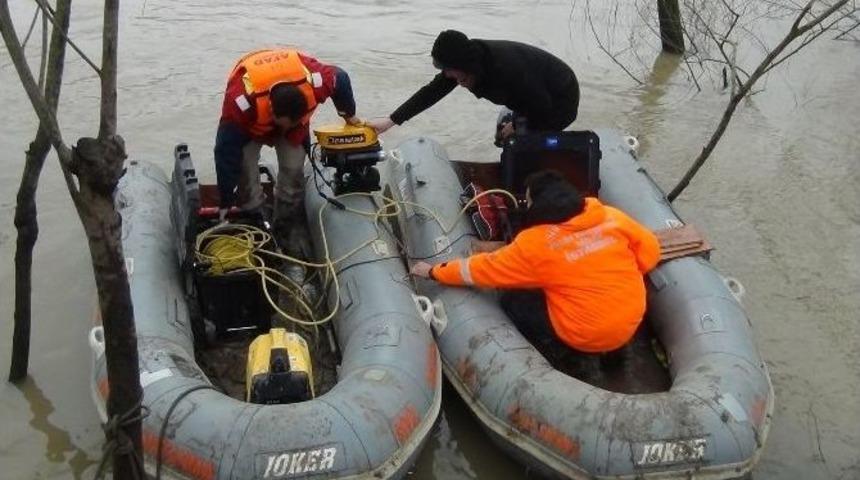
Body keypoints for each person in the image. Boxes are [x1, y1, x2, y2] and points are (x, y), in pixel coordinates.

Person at [410, 170, 660, 355]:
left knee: (513, 298)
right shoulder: (612, 217)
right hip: (629, 322)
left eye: (528, 201)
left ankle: (558, 353)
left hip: (582, 335)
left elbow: (481, 270)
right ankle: (615, 353)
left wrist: (433, 271)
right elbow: (650, 254)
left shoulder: (536, 245)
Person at [214, 48, 362, 257]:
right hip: (252, 126)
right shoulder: (241, 104)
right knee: (244, 166)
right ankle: (255, 215)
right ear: (272, 110)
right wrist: (226, 200)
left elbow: (342, 78)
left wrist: (349, 115)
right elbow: (224, 151)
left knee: (293, 169)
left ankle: (285, 226)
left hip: (293, 125)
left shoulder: (317, 81)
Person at [366, 30, 580, 142]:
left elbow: (541, 104)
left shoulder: (505, 70)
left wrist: (517, 124)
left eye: (447, 68)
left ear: (461, 64)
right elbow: (431, 93)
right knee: (503, 135)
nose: (446, 74)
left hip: (560, 96)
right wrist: (391, 120)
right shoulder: (467, 64)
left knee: (520, 135)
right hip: (533, 94)